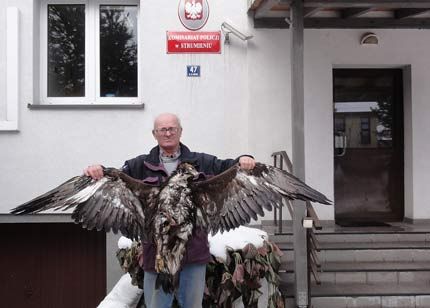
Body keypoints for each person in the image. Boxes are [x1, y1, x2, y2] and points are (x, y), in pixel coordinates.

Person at [84, 113, 255, 308]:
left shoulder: (201, 162)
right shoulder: (138, 166)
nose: (167, 133)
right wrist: (98, 170)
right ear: (154, 134)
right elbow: (115, 179)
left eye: (172, 128)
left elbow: (229, 167)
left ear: (180, 131)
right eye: (162, 129)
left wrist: (244, 159)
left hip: (193, 255)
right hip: (156, 258)